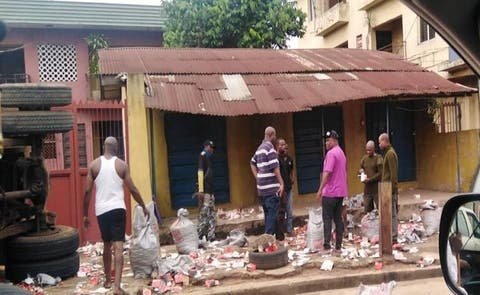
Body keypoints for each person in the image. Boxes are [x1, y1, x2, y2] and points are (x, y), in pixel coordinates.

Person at [83, 137, 148, 295]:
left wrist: (85, 214)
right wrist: (143, 205)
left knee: (106, 244)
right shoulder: (121, 165)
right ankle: (117, 287)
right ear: (116, 148)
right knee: (118, 246)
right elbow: (132, 189)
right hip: (118, 208)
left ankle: (107, 280)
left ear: (104, 146)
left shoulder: (94, 165)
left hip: (101, 210)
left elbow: (87, 191)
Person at [316, 130, 347, 254]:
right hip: (340, 192)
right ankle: (338, 247)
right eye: (325, 141)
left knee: (327, 218)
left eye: (328, 140)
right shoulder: (341, 153)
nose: (326, 143)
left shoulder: (331, 154)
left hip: (330, 192)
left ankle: (327, 246)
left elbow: (327, 173)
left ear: (334, 140)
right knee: (338, 218)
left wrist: (319, 190)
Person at [251, 126, 284, 235]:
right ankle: (267, 239)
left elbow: (252, 162)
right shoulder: (270, 148)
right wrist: (281, 183)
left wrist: (258, 177)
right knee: (272, 215)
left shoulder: (259, 148)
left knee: (268, 214)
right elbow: (275, 168)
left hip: (261, 189)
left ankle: (277, 238)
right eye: (275, 136)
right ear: (272, 135)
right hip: (270, 189)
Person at [378, 133, 399, 243]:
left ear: (385, 141)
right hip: (387, 189)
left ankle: (394, 237)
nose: (379, 144)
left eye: (380, 142)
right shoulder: (387, 153)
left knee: (393, 214)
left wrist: (392, 190)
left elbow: (393, 174)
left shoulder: (390, 154)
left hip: (390, 189)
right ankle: (391, 235)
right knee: (389, 213)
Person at [196, 140, 216, 242]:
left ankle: (211, 236)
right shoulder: (203, 155)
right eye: (211, 147)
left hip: (210, 190)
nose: (212, 150)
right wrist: (200, 190)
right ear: (206, 146)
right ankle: (199, 235)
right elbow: (200, 172)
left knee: (212, 214)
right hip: (206, 190)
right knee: (204, 213)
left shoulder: (208, 157)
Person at [277, 138, 295, 236]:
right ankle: (280, 232)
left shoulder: (289, 159)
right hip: (280, 190)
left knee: (290, 211)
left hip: (288, 188)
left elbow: (292, 169)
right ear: (278, 146)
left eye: (285, 144)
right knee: (281, 212)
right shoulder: (276, 159)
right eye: (282, 144)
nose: (284, 146)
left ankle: (289, 230)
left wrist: (293, 178)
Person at [359, 140, 383, 213]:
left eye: (370, 150)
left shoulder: (378, 158)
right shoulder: (364, 159)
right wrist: (361, 172)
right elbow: (360, 169)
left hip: (376, 189)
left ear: (373, 149)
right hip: (367, 190)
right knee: (367, 211)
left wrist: (370, 179)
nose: (368, 152)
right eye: (367, 150)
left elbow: (380, 173)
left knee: (380, 210)